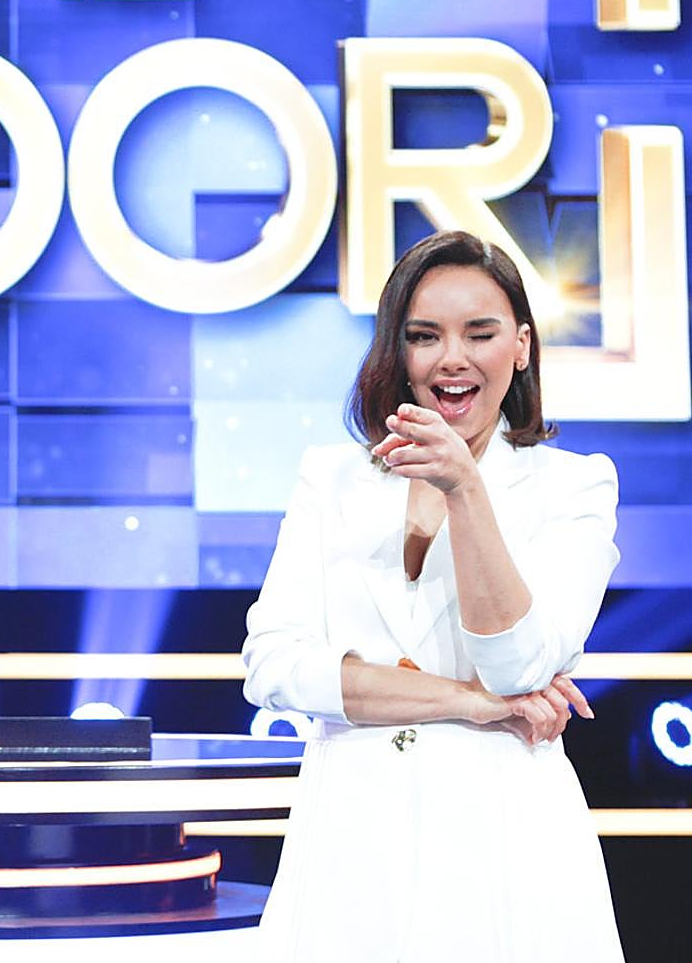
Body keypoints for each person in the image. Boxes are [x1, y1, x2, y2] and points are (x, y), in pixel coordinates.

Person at [242, 230, 626, 962]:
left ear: (520, 346)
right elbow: (274, 667)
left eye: (480, 334)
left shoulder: (575, 486)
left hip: (503, 840)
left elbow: (519, 666)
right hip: (351, 847)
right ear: (400, 353)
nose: (452, 358)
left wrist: (464, 488)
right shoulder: (331, 479)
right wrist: (469, 701)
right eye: (425, 336)